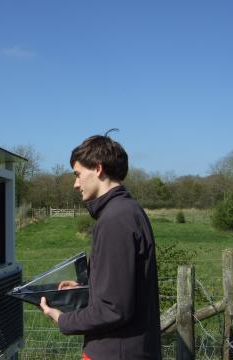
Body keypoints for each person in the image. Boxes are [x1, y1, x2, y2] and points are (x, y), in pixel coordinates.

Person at [40, 130, 162, 359]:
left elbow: (113, 309)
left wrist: (62, 319)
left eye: (78, 174)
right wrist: (87, 288)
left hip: (114, 352)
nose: (75, 184)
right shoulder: (129, 211)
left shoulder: (114, 220)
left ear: (97, 168)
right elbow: (123, 288)